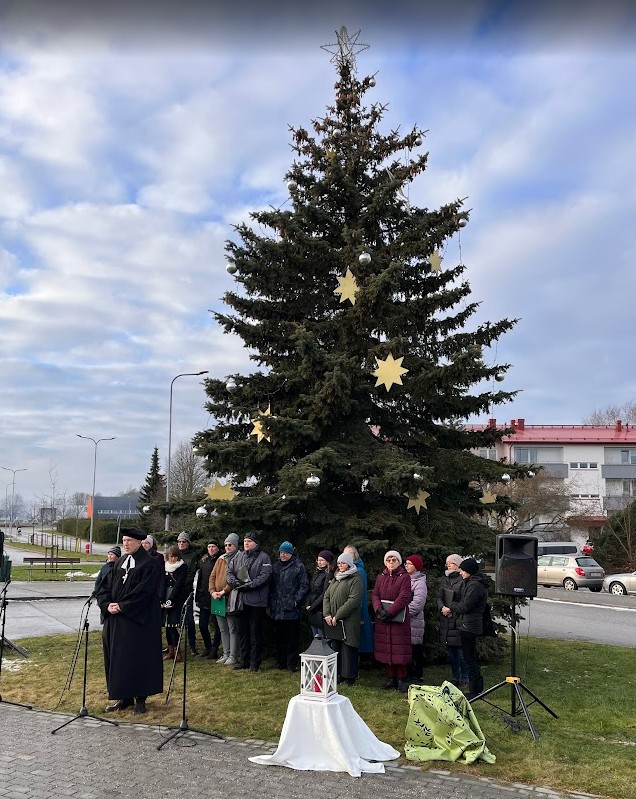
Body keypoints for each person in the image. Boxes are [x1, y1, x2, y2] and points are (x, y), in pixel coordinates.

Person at [95, 527, 163, 714]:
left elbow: (144, 592)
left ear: (139, 542)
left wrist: (122, 606)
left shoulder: (149, 564)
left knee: (137, 659)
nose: (125, 544)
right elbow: (105, 586)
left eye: (129, 541)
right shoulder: (120, 562)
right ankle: (124, 697)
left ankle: (140, 699)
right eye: (124, 540)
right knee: (118, 660)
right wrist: (107, 604)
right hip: (116, 620)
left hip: (138, 621)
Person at [442, 557, 488, 700]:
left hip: (469, 626)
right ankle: (477, 688)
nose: (460, 573)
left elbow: (465, 606)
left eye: (462, 570)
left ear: (469, 571)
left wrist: (451, 605)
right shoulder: (471, 583)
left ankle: (475, 690)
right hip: (467, 624)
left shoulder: (475, 586)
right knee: (470, 657)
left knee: (469, 658)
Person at [226, 530, 272, 672]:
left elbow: (265, 576)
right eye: (245, 541)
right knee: (242, 632)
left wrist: (249, 585)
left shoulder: (264, 558)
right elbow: (229, 572)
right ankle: (244, 660)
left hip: (256, 602)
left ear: (256, 543)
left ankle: (254, 662)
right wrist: (234, 582)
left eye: (249, 541)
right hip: (241, 601)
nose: (246, 543)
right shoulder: (239, 556)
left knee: (255, 633)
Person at [372, 550, 413, 692]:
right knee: (386, 648)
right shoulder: (381, 577)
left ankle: (401, 678)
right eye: (388, 560)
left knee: (399, 649)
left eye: (393, 560)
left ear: (398, 562)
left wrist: (390, 612)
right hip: (383, 618)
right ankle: (391, 678)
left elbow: (404, 596)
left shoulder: (405, 577)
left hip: (398, 618)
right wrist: (379, 610)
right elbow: (375, 594)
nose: (391, 563)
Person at [322, 551, 363, 686]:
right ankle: (339, 674)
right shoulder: (336, 578)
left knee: (348, 647)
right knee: (336, 647)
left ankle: (349, 676)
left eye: (343, 563)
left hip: (348, 620)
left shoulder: (355, 579)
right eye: (339, 563)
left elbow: (353, 600)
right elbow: (327, 596)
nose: (340, 565)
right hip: (334, 620)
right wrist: (327, 614)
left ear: (349, 564)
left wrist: (338, 615)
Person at [269, 541, 310, 671]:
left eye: (286, 553)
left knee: (292, 638)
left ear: (291, 554)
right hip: (277, 608)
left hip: (292, 609)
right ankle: (280, 662)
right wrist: (271, 602)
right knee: (279, 638)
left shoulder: (299, 567)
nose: (283, 555)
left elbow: (304, 586)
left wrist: (295, 601)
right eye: (281, 552)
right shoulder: (275, 566)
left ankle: (291, 664)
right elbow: (271, 586)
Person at [436, 553, 469, 688]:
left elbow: (464, 600)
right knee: (451, 652)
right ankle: (455, 677)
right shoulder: (445, 579)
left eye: (451, 563)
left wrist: (451, 609)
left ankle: (465, 678)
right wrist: (442, 607)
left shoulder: (462, 580)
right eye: (447, 563)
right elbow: (439, 596)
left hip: (457, 619)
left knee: (461, 652)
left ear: (458, 565)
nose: (448, 565)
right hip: (446, 619)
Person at [209, 533, 241, 665]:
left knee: (232, 628)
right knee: (222, 628)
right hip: (218, 598)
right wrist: (213, 591)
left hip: (231, 597)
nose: (227, 547)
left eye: (230, 545)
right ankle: (225, 653)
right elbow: (212, 576)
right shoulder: (221, 559)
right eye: (226, 545)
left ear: (235, 546)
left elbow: (236, 578)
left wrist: (223, 591)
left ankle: (233, 655)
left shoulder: (239, 558)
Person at [344, 544, 374, 657]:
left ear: (354, 556)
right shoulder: (349, 570)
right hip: (350, 608)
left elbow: (358, 594)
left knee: (357, 640)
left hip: (357, 609)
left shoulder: (359, 571)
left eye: (348, 554)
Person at [161, 544, 188, 662]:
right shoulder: (165, 567)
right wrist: (161, 599)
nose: (173, 559)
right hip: (166, 596)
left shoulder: (182, 567)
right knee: (167, 626)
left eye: (175, 556)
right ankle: (171, 650)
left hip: (176, 598)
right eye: (171, 556)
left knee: (172, 625)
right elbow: (162, 583)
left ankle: (177, 652)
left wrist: (171, 599)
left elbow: (179, 584)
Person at [195, 540, 221, 659]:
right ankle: (208, 647)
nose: (211, 549)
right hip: (203, 596)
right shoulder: (204, 561)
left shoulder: (220, 560)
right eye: (209, 546)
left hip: (216, 596)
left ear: (218, 548)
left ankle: (214, 649)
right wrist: (197, 596)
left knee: (217, 625)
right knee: (202, 624)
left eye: (213, 546)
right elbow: (200, 579)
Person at [404, 554, 427, 683]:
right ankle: (408, 673)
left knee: (415, 648)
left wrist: (404, 612)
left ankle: (418, 674)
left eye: (409, 564)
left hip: (414, 621)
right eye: (406, 563)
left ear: (416, 566)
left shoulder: (420, 583)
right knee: (408, 648)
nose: (406, 566)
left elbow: (418, 603)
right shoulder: (405, 579)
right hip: (405, 620)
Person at [176, 531, 199, 654]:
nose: (181, 543)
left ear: (188, 543)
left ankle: (192, 645)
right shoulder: (175, 554)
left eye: (183, 541)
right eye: (179, 541)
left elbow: (191, 573)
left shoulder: (192, 555)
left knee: (189, 619)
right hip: (175, 592)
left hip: (186, 591)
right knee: (175, 619)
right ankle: (175, 645)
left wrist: (180, 584)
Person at [305, 549, 335, 638]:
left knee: (322, 637)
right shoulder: (317, 573)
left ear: (327, 561)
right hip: (312, 609)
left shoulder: (329, 574)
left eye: (322, 560)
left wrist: (313, 607)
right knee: (315, 636)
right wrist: (307, 604)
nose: (319, 562)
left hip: (320, 609)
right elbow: (311, 590)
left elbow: (325, 593)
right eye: (318, 560)